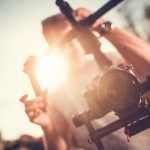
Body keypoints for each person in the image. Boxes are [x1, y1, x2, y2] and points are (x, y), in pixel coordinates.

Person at [21, 7, 150, 150]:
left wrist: (103, 27)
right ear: (53, 48)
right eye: (63, 43)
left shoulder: (117, 61)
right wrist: (48, 127)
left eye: (73, 36)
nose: (71, 46)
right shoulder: (57, 100)